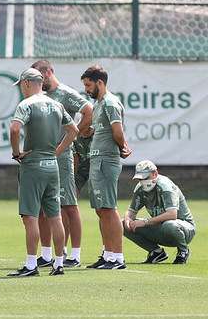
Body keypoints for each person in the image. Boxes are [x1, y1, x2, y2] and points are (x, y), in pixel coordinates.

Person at [8, 68, 78, 277]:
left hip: (33, 164)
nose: (21, 89)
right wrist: (57, 151)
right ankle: (58, 263)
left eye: (21, 85)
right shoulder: (57, 104)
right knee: (55, 216)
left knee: (30, 217)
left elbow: (14, 129)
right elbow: (73, 130)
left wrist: (16, 153)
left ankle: (31, 264)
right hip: (52, 165)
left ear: (28, 83)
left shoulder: (26, 104)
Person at [31, 60, 94, 268]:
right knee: (42, 206)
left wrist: (72, 136)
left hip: (63, 156)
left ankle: (74, 255)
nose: (40, 81)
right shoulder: (39, 96)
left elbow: (88, 109)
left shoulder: (65, 93)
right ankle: (47, 254)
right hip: (42, 156)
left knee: (69, 205)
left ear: (49, 72)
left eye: (42, 77)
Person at [81, 65, 132, 269]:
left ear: (99, 83)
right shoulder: (99, 104)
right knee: (101, 210)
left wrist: (123, 147)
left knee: (109, 209)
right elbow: (103, 128)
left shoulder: (110, 103)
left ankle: (118, 258)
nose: (86, 89)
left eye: (88, 85)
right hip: (97, 159)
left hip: (106, 160)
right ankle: (108, 253)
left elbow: (117, 132)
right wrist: (90, 132)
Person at [123, 161, 195, 264]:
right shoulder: (140, 189)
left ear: (155, 174)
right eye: (140, 179)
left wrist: (145, 222)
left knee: (170, 224)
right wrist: (127, 220)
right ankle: (156, 252)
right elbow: (131, 211)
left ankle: (183, 251)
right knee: (121, 224)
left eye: (145, 177)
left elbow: (172, 214)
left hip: (184, 228)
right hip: (160, 227)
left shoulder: (165, 186)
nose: (142, 181)